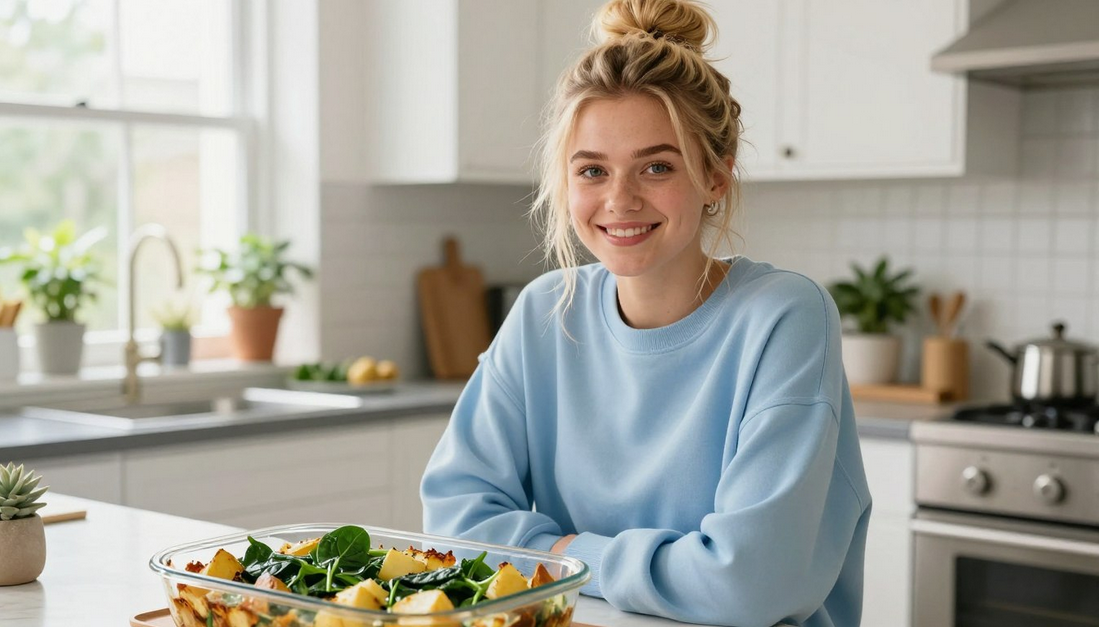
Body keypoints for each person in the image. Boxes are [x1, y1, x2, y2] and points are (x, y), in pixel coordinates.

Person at [420, 1, 872, 625]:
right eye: (592, 171)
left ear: (716, 176)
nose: (619, 200)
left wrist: (558, 555)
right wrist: (642, 567)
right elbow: (455, 523)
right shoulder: (544, 311)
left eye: (657, 166)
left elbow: (748, 583)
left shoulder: (784, 317)